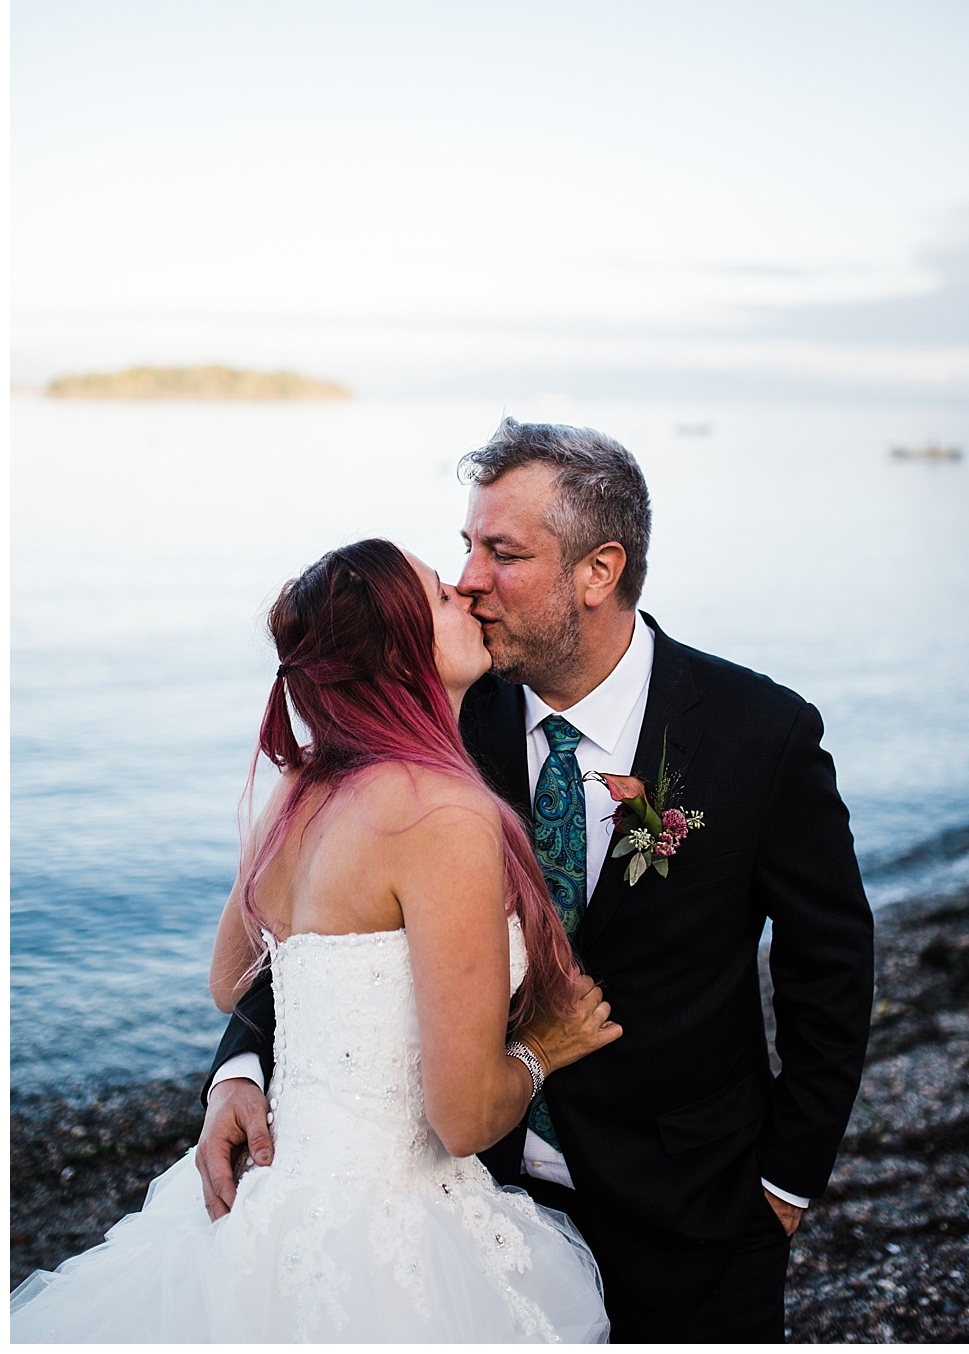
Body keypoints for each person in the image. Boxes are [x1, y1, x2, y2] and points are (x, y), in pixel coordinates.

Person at [201, 419, 875, 1343]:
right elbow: (328, 929)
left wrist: (786, 1180)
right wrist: (237, 1066)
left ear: (598, 571)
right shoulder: (436, 725)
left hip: (693, 1211)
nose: (471, 577)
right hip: (466, 1204)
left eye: (503, 552)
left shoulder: (760, 733)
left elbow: (829, 966)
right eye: (466, 547)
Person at [10, 537, 620, 1343]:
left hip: (276, 1198)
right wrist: (543, 1046)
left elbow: (232, 978)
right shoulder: (444, 815)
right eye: (442, 595)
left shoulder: (304, 787)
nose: (468, 597)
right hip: (392, 1229)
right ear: (401, 650)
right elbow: (465, 1118)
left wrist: (251, 1066)